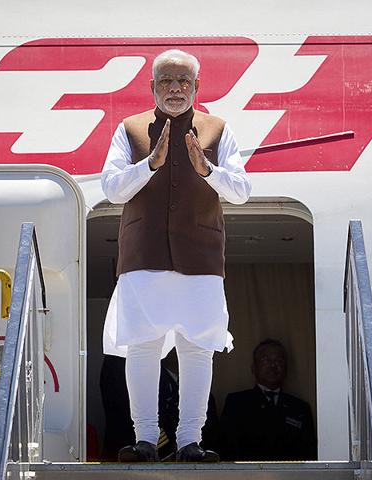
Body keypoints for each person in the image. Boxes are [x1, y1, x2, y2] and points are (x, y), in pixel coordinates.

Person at [101, 49, 251, 462]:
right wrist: (149, 163)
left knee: (197, 348)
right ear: (152, 87)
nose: (175, 88)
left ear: (197, 87)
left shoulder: (218, 130)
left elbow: (241, 192)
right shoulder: (130, 129)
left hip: (200, 258)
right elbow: (111, 189)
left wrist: (208, 170)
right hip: (143, 257)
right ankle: (146, 438)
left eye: (183, 81)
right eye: (166, 81)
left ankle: (189, 440)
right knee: (143, 346)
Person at [220, 339, 317, 461]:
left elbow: (309, 454)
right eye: (266, 360)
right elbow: (227, 449)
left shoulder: (300, 408)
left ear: (286, 368)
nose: (273, 365)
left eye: (279, 361)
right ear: (253, 368)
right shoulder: (236, 403)